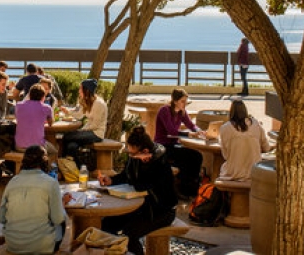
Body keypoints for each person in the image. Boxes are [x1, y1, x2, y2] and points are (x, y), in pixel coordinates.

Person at [97, 127, 178, 255]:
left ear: (145, 151)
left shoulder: (160, 163)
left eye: (133, 154)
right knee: (107, 223)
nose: (130, 156)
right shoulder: (135, 157)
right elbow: (126, 175)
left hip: (159, 211)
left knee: (129, 234)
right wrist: (111, 180)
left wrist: (145, 166)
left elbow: (143, 185)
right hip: (140, 206)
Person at [0, 145, 67, 254]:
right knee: (64, 219)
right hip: (42, 247)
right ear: (45, 161)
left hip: (13, 245)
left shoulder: (12, 181)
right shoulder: (51, 183)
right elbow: (58, 219)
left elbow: (1, 218)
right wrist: (62, 205)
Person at [153, 88, 204, 198]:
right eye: (182, 101)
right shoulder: (164, 110)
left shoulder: (182, 112)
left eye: (186, 101)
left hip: (174, 144)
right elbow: (171, 131)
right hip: (162, 146)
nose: (184, 104)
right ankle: (184, 189)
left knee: (197, 156)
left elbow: (191, 125)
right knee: (190, 157)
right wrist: (188, 135)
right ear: (175, 101)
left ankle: (190, 187)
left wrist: (199, 131)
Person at [217, 100, 270, 181]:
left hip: (233, 172)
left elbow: (225, 155)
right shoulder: (256, 124)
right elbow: (266, 148)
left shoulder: (225, 128)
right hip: (254, 172)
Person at [60, 79, 106, 165]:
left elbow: (95, 125)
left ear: (86, 90)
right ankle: (79, 168)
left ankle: (62, 161)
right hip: (88, 131)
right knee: (71, 146)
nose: (78, 91)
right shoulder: (86, 100)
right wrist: (67, 111)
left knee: (66, 136)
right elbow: (79, 115)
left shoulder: (98, 104)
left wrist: (81, 131)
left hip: (96, 133)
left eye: (80, 88)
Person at [14, 84, 57, 159]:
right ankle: (49, 169)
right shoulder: (46, 108)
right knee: (54, 152)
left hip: (19, 146)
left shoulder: (18, 105)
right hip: (37, 148)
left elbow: (19, 119)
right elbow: (51, 123)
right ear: (43, 97)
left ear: (29, 95)